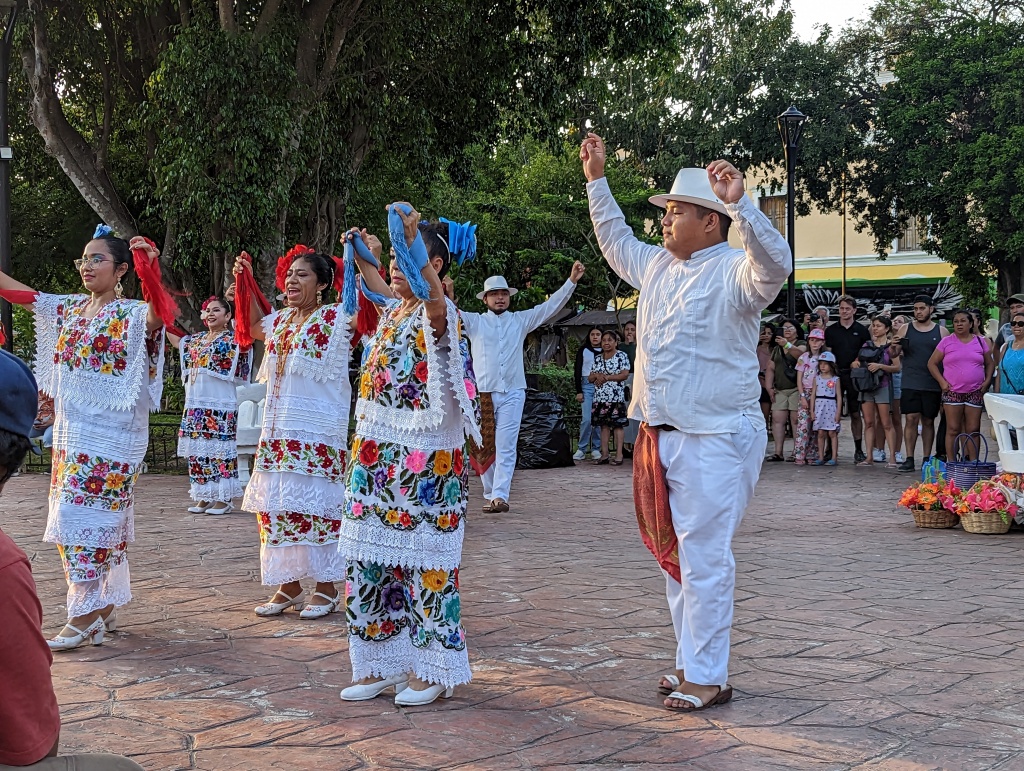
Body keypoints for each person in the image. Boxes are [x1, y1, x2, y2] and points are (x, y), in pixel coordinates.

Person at [581, 132, 791, 711]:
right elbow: (615, 239)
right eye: (666, 211)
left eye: (676, 211)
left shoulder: (738, 272)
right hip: (660, 432)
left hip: (717, 435)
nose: (666, 221)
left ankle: (708, 676)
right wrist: (597, 180)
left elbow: (777, 263)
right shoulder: (657, 267)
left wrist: (742, 204)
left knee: (704, 558)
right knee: (675, 558)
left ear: (710, 221)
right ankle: (690, 660)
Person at [0, 226, 170, 651]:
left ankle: (84, 614)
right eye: (84, 259)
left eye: (97, 259)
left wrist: (151, 270)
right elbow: (22, 294)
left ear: (121, 270)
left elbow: (160, 315)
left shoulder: (133, 313)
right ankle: (101, 605)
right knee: (74, 520)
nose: (87, 266)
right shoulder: (71, 309)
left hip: (114, 438)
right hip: (73, 434)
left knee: (90, 521)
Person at [339, 205, 482, 707]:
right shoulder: (392, 311)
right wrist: (362, 250)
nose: (395, 267)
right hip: (377, 457)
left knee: (426, 564)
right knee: (369, 559)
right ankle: (384, 662)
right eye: (395, 260)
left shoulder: (441, 314)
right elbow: (374, 280)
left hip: (426, 462)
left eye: (407, 259)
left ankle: (433, 668)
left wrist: (409, 240)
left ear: (434, 265)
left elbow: (431, 296)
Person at [1, 352, 145, 771]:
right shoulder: (4, 568)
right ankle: (91, 608)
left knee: (90, 522)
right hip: (88, 441)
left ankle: (98, 607)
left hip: (106, 439)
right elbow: (32, 741)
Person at [232, 245, 357, 620]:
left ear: (322, 284)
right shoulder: (280, 322)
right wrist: (244, 280)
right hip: (278, 433)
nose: (292, 280)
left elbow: (366, 308)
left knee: (319, 508)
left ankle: (326, 588)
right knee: (278, 508)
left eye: (302, 274)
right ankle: (288, 585)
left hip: (318, 432)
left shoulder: (338, 318)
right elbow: (252, 325)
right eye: (289, 274)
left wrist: (361, 259)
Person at [461, 264, 584, 513]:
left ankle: (500, 495)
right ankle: (490, 492)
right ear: (485, 299)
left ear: (509, 297)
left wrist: (571, 281)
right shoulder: (474, 321)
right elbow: (445, 311)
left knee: (506, 445)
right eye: (494, 294)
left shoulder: (520, 320)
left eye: (503, 294)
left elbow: (549, 307)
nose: (500, 298)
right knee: (483, 446)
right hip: (483, 392)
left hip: (513, 391)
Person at [168, 295, 250, 515]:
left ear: (228, 315)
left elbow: (247, 330)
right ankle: (204, 496)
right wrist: (163, 313)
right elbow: (176, 341)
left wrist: (238, 297)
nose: (211, 314)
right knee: (198, 452)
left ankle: (224, 498)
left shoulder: (233, 339)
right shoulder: (196, 340)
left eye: (217, 310)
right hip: (196, 402)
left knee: (220, 452)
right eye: (208, 310)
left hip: (220, 403)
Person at [928, 309, 994, 461]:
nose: (959, 324)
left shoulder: (980, 342)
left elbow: (990, 363)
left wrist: (987, 381)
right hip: (952, 392)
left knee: (973, 429)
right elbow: (931, 363)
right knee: (952, 429)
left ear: (971, 324)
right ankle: (952, 463)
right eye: (956, 321)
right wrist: (942, 382)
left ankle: (973, 462)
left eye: (963, 321)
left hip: (975, 392)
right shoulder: (946, 341)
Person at [892, 295, 948, 472]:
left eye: (922, 308)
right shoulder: (905, 328)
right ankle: (909, 458)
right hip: (910, 381)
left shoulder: (941, 332)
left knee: (928, 421)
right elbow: (894, 354)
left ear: (931, 309)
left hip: (932, 383)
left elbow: (947, 360)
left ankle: (926, 458)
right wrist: (893, 345)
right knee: (910, 418)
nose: (918, 312)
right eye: (915, 309)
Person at [852, 316, 902, 468]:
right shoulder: (867, 345)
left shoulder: (891, 346)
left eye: (879, 326)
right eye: (874, 325)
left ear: (887, 329)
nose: (875, 328)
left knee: (886, 422)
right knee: (868, 422)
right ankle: (869, 457)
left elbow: (897, 367)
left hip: (883, 386)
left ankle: (892, 457)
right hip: (866, 386)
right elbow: (857, 360)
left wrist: (880, 367)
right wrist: (855, 364)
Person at [825, 295, 870, 462]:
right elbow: (828, 353)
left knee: (855, 413)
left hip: (854, 376)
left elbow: (867, 351)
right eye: (842, 308)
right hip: (835, 375)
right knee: (831, 412)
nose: (844, 311)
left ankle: (858, 449)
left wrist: (858, 360)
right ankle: (829, 449)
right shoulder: (831, 330)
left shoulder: (862, 330)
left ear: (854, 310)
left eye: (847, 309)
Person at [764, 318, 807, 461]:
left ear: (797, 331)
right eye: (784, 328)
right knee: (777, 419)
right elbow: (771, 367)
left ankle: (797, 451)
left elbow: (801, 356)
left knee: (795, 420)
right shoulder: (777, 348)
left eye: (790, 328)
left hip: (796, 388)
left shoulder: (801, 344)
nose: (787, 330)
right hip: (780, 389)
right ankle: (778, 452)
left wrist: (787, 345)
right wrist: (769, 387)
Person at [590, 329, 631, 465]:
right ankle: (605, 454)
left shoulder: (621, 356)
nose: (606, 343)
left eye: (609, 340)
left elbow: (624, 374)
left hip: (616, 397)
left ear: (615, 342)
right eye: (604, 340)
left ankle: (619, 455)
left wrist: (607, 377)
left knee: (618, 426)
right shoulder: (597, 358)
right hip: (600, 398)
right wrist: (597, 376)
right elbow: (590, 377)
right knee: (603, 426)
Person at [794, 328, 825, 465]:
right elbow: (799, 378)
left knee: (816, 425)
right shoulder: (804, 357)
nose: (815, 343)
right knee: (803, 425)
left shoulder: (824, 357)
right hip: (806, 392)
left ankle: (812, 453)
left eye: (818, 340)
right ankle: (799, 454)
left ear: (822, 342)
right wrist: (802, 396)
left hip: (820, 393)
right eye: (812, 340)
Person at [573, 327, 604, 461]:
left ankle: (596, 448)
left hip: (602, 385)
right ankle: (581, 448)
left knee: (598, 419)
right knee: (587, 419)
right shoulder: (583, 350)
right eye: (592, 334)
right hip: (586, 385)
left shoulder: (606, 351)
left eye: (598, 334)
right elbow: (577, 371)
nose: (595, 337)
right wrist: (579, 391)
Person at [810, 352, 841, 466]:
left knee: (832, 432)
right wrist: (812, 411)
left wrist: (838, 412)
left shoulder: (835, 379)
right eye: (821, 364)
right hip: (819, 406)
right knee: (820, 432)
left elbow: (839, 396)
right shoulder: (817, 379)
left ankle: (834, 457)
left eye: (826, 364)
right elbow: (813, 395)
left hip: (831, 406)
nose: (822, 366)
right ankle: (820, 457)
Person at [621, 320, 639, 455]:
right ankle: (626, 443)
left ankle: (636, 443)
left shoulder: (639, 347)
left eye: (632, 330)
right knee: (625, 411)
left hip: (637, 379)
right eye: (627, 329)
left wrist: (633, 344)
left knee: (636, 412)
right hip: (623, 379)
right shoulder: (620, 347)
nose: (629, 332)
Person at [998, 312, 1024, 395]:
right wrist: (996, 394)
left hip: (1020, 399)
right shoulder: (1005, 347)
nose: (1016, 326)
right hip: (1004, 397)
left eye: (1021, 323)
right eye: (1013, 323)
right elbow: (999, 373)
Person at [756, 322, 775, 428]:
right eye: (765, 333)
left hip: (771, 383)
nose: (767, 336)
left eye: (770, 333)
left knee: (767, 413)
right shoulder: (757, 348)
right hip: (758, 383)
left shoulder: (775, 349)